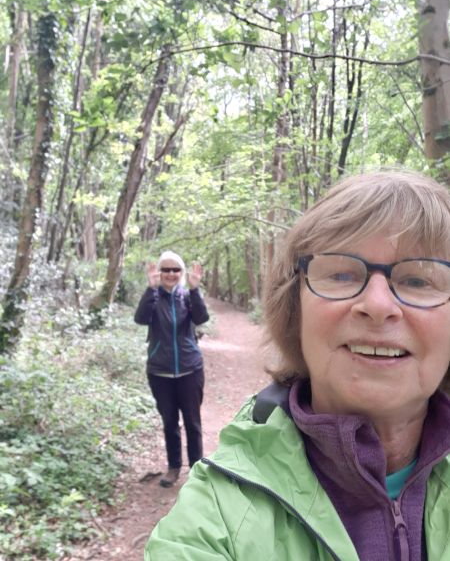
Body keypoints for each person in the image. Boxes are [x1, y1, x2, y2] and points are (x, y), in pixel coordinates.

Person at [145, 169, 450, 560]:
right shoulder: (218, 520)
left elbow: (200, 315)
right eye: (341, 274)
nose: (377, 305)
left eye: (418, 281)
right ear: (295, 309)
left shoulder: (188, 296)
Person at [134, 250, 209, 488]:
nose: (170, 274)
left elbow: (202, 317)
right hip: (160, 372)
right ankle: (174, 467)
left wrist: (195, 290)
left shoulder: (187, 296)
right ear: (159, 271)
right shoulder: (153, 298)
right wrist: (150, 289)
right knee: (169, 422)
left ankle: (197, 469)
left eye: (175, 269)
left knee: (192, 422)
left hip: (190, 369)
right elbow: (140, 318)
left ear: (182, 273)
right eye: (165, 269)